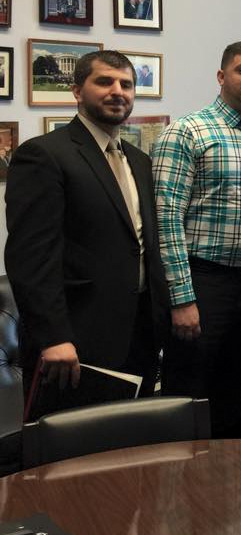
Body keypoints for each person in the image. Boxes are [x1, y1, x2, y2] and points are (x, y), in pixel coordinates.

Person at [5, 50, 168, 407]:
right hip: (75, 341)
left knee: (128, 444)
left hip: (138, 334)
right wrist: (53, 337)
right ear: (77, 91)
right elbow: (31, 258)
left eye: (126, 84)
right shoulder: (45, 155)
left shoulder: (139, 161)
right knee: (72, 454)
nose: (118, 91)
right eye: (104, 81)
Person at [152, 41, 241, 439]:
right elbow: (167, 219)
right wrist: (181, 298)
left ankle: (232, 480)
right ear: (221, 76)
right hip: (201, 279)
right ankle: (182, 486)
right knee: (190, 393)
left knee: (238, 390)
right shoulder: (186, 132)